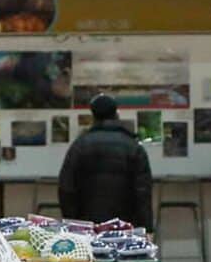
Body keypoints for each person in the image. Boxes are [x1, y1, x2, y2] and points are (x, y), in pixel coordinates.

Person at [59, 94, 155, 228]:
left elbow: (67, 188)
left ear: (93, 116)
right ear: (116, 114)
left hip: (88, 224)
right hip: (125, 225)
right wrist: (146, 227)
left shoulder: (79, 145)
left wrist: (73, 221)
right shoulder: (133, 146)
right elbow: (143, 192)